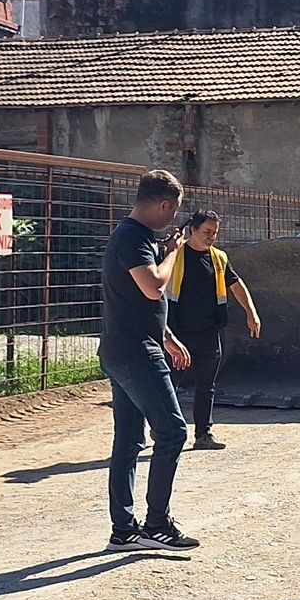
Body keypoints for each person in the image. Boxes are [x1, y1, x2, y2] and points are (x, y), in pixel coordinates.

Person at [97, 169, 200, 552]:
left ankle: (123, 529)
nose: (173, 218)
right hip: (136, 353)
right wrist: (174, 251)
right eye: (173, 209)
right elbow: (154, 286)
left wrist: (168, 336)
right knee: (172, 432)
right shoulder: (133, 239)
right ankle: (157, 523)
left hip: (127, 347)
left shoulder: (132, 237)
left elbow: (138, 302)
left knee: (128, 440)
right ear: (163, 204)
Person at [167, 209, 262, 450]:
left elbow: (236, 284)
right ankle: (161, 429)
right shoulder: (174, 256)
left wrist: (251, 312)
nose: (211, 237)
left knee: (206, 385)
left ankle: (203, 435)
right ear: (193, 231)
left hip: (209, 333)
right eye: (207, 232)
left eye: (215, 233)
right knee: (168, 384)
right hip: (178, 334)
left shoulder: (218, 258)